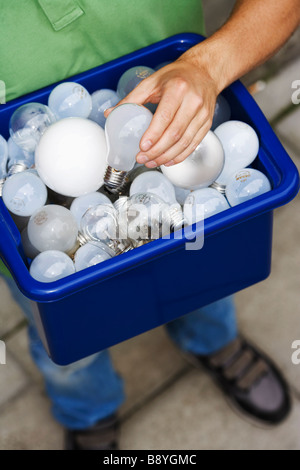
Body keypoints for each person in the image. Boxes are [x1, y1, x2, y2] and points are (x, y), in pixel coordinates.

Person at [0, 0, 299, 450]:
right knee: (67, 336)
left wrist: (211, 63)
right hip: (34, 184)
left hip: (174, 107)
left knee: (203, 277)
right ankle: (89, 411)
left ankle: (214, 342)